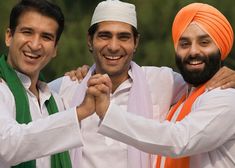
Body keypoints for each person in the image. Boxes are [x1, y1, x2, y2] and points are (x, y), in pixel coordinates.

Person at [50, 1, 235, 168]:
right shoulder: (67, 87)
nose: (113, 46)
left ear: (135, 42)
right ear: (90, 41)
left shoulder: (163, 81)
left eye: (123, 37)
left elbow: (180, 138)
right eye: (105, 36)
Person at [0, 0, 94, 167]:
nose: (35, 45)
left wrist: (87, 75)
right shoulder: (2, 89)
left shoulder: (55, 100)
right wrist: (80, 112)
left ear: (55, 49)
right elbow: (6, 145)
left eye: (46, 37)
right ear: (9, 36)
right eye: (27, 32)